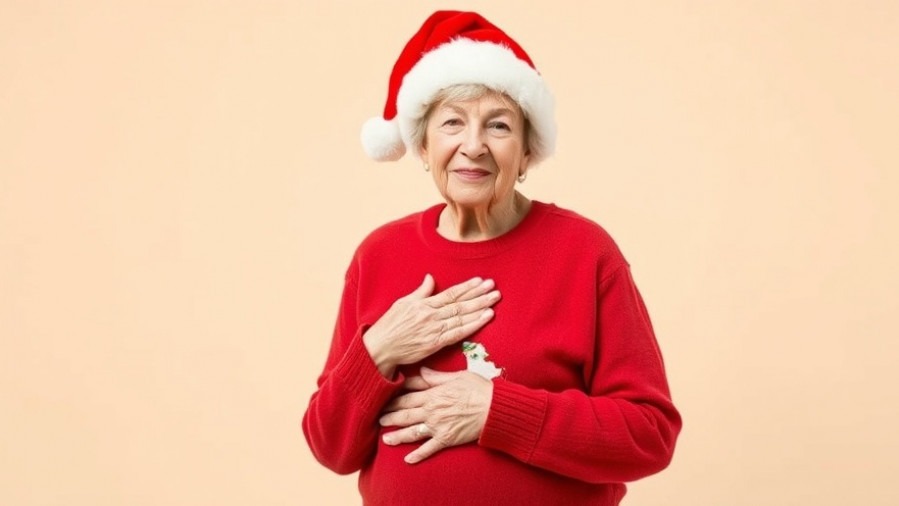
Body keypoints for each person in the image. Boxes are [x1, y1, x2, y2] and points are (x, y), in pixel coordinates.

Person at [302, 11, 681, 505]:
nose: (473, 146)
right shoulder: (379, 255)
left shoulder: (585, 253)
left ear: (526, 152)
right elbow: (330, 448)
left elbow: (648, 436)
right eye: (453, 123)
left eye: (498, 125)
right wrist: (379, 349)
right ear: (422, 145)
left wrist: (496, 411)